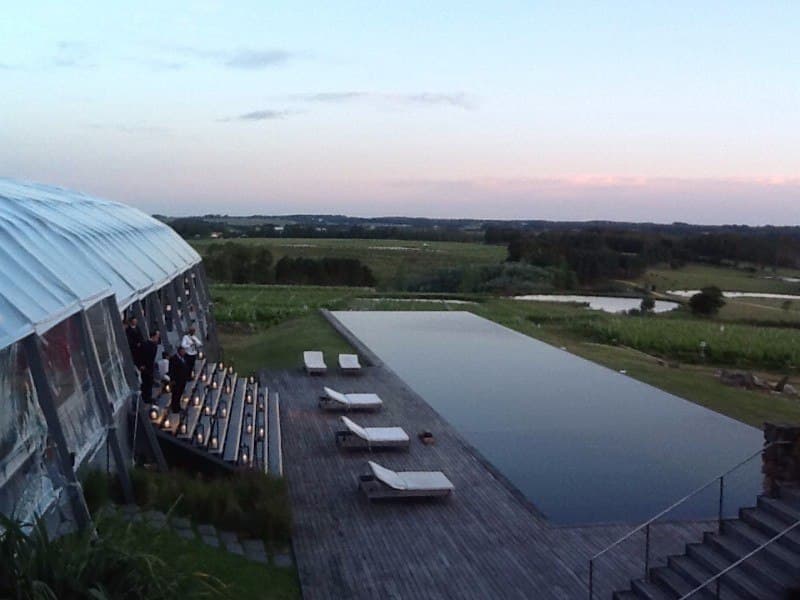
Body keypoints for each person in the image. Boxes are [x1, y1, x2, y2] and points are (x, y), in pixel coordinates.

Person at [138, 330, 160, 403]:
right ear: (153, 336)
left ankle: (148, 397)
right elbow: (140, 355)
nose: (158, 338)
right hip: (145, 366)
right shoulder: (146, 344)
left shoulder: (154, 345)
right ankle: (146, 398)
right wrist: (141, 365)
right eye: (157, 336)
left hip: (150, 366)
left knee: (149, 382)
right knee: (146, 382)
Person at [168, 347, 190, 413]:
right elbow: (171, 370)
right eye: (183, 351)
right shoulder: (173, 359)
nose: (184, 352)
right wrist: (172, 380)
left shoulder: (184, 358)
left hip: (182, 380)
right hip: (176, 381)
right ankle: (175, 408)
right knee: (175, 395)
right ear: (179, 351)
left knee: (179, 394)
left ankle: (178, 407)